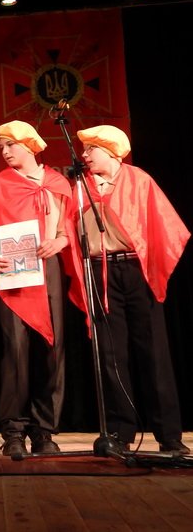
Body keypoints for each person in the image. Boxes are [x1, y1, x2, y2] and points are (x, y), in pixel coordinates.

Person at [66, 125, 190, 454]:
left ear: (110, 151)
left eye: (91, 149)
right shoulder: (81, 187)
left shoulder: (139, 180)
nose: (85, 155)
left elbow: (167, 226)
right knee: (111, 354)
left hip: (136, 268)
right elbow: (68, 227)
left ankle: (169, 435)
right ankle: (119, 432)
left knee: (154, 352)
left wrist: (154, 265)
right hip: (100, 270)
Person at [0, 121, 72, 457]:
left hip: (48, 269)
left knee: (52, 349)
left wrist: (59, 242)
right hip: (14, 271)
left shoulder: (57, 183)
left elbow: (68, 228)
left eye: (10, 145)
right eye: (1, 146)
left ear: (29, 145)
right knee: (15, 349)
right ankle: (13, 431)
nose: (4, 152)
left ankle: (45, 431)